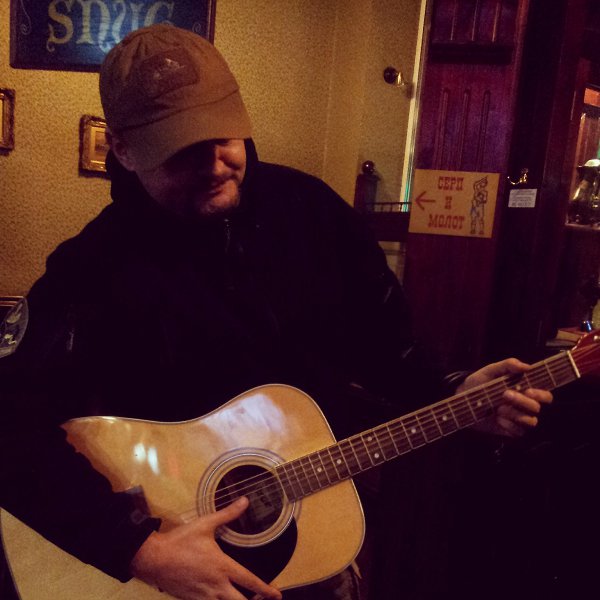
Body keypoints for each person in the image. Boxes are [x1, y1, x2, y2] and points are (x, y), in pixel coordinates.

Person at [0, 24, 552, 600]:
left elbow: (388, 350)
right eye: (181, 149)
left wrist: (452, 390)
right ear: (123, 149)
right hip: (160, 575)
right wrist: (140, 549)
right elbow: (9, 427)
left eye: (222, 134)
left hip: (311, 550)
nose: (214, 164)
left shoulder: (312, 215)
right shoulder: (89, 269)